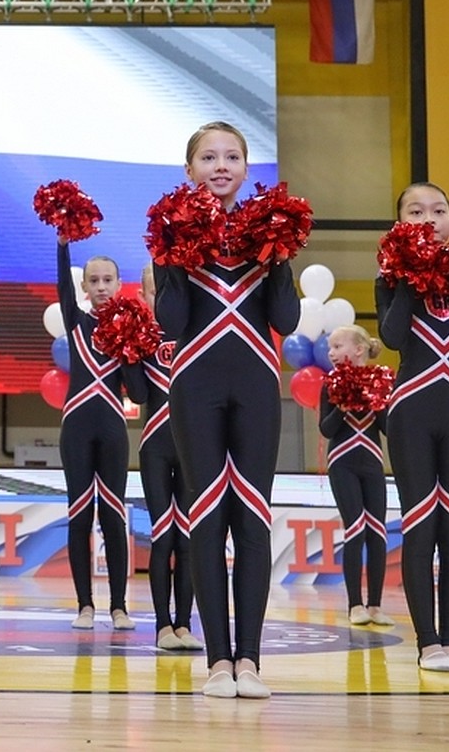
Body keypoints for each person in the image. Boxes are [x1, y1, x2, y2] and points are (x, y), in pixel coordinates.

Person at [153, 121, 300, 699]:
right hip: (195, 386)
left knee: (253, 519)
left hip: (258, 386)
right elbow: (169, 320)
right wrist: (173, 254)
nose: (221, 165)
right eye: (208, 157)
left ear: (246, 167)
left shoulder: (269, 227)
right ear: (189, 169)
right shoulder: (172, 226)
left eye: (232, 156)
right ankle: (218, 661)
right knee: (207, 517)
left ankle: (251, 662)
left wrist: (280, 253)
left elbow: (285, 321)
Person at [375, 182, 449, 673]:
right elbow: (394, 337)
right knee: (420, 526)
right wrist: (406, 276)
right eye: (415, 211)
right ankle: (427, 643)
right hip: (412, 409)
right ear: (400, 224)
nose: (429, 218)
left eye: (439, 209)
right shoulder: (389, 277)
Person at [56, 243, 147, 632]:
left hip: (112, 425)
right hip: (75, 425)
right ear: (84, 288)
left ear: (119, 284)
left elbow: (139, 394)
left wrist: (129, 348)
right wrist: (63, 243)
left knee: (113, 514)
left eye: (108, 280)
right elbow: (61, 283)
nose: (101, 286)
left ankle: (119, 607)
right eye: (93, 281)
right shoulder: (75, 321)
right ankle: (84, 605)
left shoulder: (127, 329)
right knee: (79, 515)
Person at [136, 264, 200, 652]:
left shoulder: (197, 330)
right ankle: (162, 625)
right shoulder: (140, 337)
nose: (160, 296)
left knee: (189, 540)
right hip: (155, 446)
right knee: (163, 537)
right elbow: (140, 396)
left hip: (192, 445)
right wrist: (129, 354)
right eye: (153, 291)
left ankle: (184, 624)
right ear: (143, 297)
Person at [318, 325, 393, 628]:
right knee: (356, 527)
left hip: (373, 462)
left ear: (359, 349)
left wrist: (377, 403)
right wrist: (342, 407)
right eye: (330, 348)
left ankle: (375, 605)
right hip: (342, 462)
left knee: (377, 530)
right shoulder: (330, 384)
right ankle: (354, 605)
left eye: (337, 347)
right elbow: (326, 429)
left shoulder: (380, 380)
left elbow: (389, 429)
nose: (331, 353)